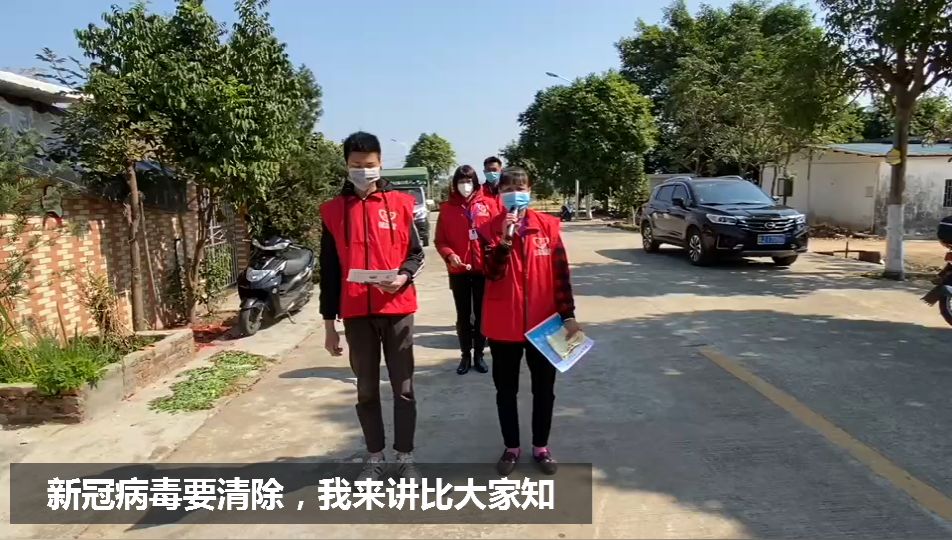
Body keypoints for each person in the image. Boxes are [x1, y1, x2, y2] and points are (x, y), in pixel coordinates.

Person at [319, 131, 425, 481]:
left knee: (403, 388)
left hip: (397, 308)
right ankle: (375, 456)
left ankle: (405, 456)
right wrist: (329, 325)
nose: (363, 170)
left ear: (380, 164)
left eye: (369, 164)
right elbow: (329, 271)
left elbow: (416, 254)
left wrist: (403, 277)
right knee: (366, 389)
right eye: (356, 165)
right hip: (356, 313)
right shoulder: (333, 211)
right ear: (346, 165)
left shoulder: (401, 204)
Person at [479, 166, 581, 476]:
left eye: (520, 187)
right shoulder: (487, 229)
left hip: (543, 325)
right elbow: (492, 272)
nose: (514, 193)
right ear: (499, 193)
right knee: (506, 391)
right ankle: (511, 447)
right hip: (503, 325)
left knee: (544, 390)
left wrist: (569, 316)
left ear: (530, 190)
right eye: (508, 188)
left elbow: (560, 276)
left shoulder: (548, 227)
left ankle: (541, 447)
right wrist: (505, 238)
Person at [435, 165, 500, 375]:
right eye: (461, 181)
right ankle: (465, 355)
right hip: (459, 271)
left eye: (469, 181)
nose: (465, 185)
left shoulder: (489, 204)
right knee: (463, 316)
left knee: (481, 315)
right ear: (455, 184)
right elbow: (440, 240)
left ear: (475, 182)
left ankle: (479, 355)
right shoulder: (447, 209)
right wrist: (449, 255)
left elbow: (498, 234)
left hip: (482, 270)